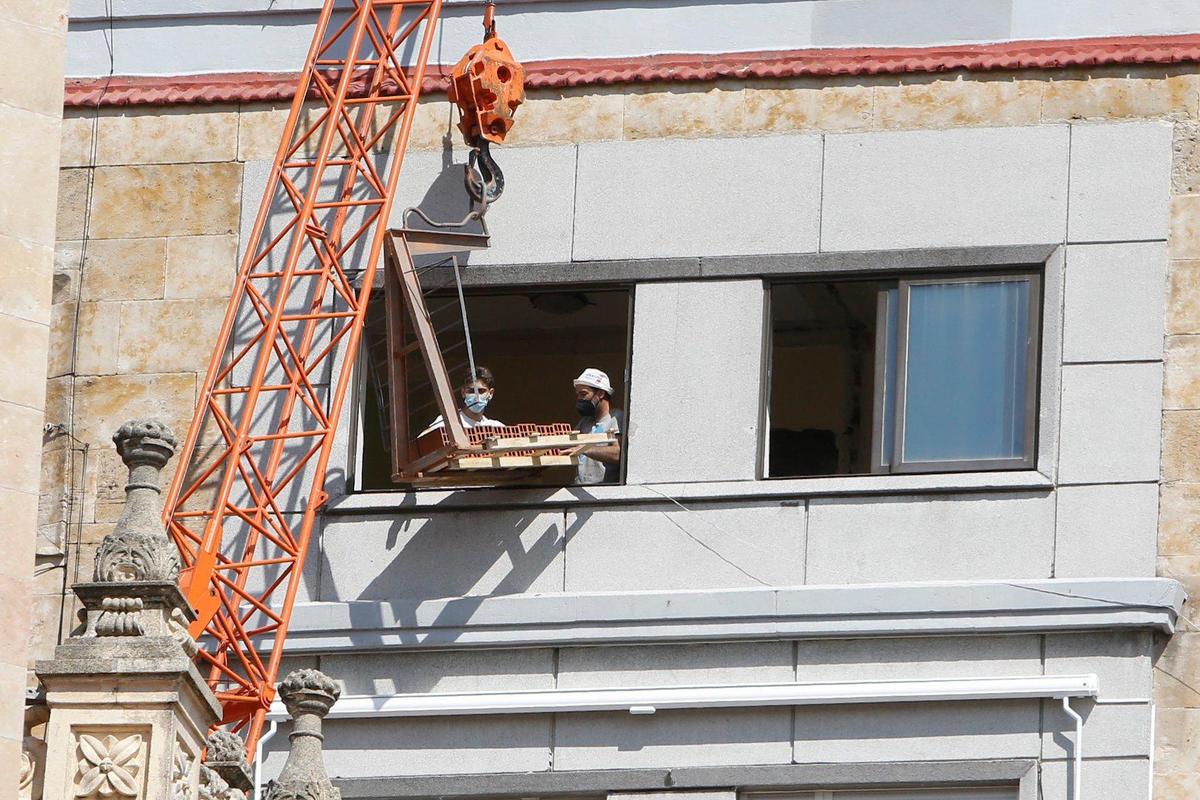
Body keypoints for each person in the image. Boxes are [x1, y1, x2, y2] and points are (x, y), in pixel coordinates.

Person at [420, 366, 505, 436]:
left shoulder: (496, 427)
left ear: (490, 394)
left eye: (481, 391)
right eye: (471, 391)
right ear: (463, 392)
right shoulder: (448, 422)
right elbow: (422, 440)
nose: (476, 396)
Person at [572, 368, 622, 484]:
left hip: (602, 493)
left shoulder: (616, 418)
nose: (579, 399)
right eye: (578, 395)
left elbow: (618, 454)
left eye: (583, 394)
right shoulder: (585, 422)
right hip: (580, 491)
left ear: (600, 393)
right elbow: (568, 446)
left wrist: (585, 449)